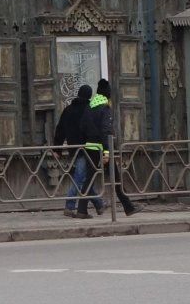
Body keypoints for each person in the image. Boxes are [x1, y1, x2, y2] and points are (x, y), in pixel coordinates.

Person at [88, 80, 139, 217]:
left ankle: (81, 209)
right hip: (103, 148)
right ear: (108, 94)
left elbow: (84, 126)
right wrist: (107, 152)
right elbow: (106, 131)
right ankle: (128, 207)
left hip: (90, 147)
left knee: (88, 180)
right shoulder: (104, 108)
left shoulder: (91, 106)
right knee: (116, 179)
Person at [55, 84, 103, 218]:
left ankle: (99, 204)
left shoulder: (68, 110)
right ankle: (69, 206)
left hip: (73, 149)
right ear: (89, 96)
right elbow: (93, 130)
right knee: (80, 179)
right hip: (87, 149)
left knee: (84, 178)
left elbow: (60, 130)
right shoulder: (89, 110)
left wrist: (56, 148)